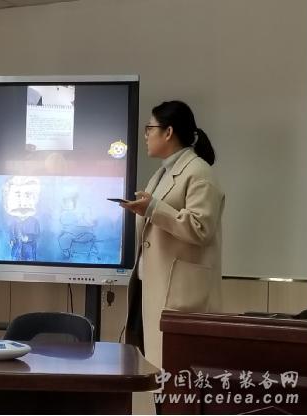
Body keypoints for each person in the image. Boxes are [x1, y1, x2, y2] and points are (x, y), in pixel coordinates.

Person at [121, 100, 225, 369]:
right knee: (156, 375)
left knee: (176, 380)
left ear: (168, 132)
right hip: (151, 289)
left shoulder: (199, 172)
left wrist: (153, 208)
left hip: (181, 298)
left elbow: (201, 228)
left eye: (150, 128)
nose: (146, 135)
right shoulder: (162, 173)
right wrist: (145, 209)